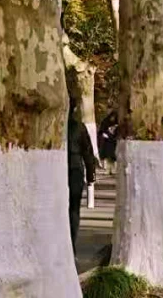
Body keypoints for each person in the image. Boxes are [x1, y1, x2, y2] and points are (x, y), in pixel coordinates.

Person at [67, 98, 97, 246]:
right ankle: (71, 245)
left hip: (63, 173)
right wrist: (91, 176)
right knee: (73, 209)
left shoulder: (53, 127)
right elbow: (88, 153)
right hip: (76, 171)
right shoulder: (79, 128)